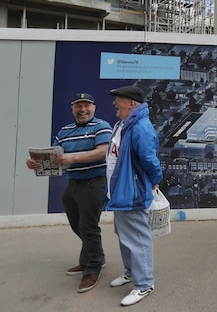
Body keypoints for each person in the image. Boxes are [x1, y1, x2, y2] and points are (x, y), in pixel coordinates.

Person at [25, 93, 112, 293]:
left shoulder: (101, 126)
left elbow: (102, 151)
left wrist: (72, 158)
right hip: (73, 183)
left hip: (95, 182)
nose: (83, 109)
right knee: (78, 225)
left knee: (88, 226)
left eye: (86, 105)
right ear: (72, 109)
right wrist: (34, 164)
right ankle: (93, 255)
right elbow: (54, 156)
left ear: (94, 107)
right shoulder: (65, 131)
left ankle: (92, 269)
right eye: (78, 106)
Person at [105, 85, 163, 307]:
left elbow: (150, 160)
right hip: (120, 193)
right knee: (124, 235)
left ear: (131, 103)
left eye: (118, 99)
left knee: (137, 238)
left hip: (132, 192)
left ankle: (144, 284)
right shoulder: (123, 124)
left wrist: (154, 179)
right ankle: (131, 272)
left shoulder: (140, 127)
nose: (114, 104)